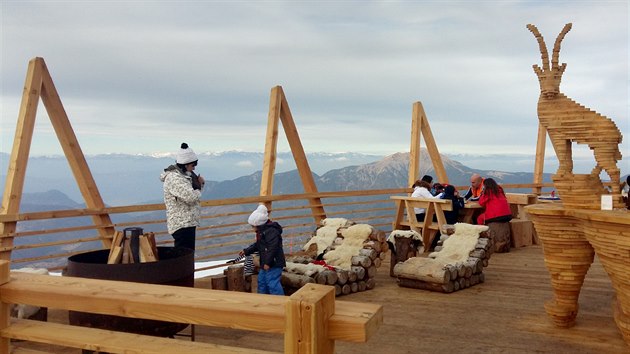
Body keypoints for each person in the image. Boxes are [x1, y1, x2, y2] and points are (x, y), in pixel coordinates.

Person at [160, 143, 205, 251]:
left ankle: (185, 268)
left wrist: (199, 186)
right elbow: (191, 197)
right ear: (185, 164)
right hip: (181, 224)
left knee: (187, 254)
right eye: (193, 165)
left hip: (186, 222)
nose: (194, 168)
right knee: (184, 255)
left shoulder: (182, 176)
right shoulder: (175, 178)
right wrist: (199, 187)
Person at [239, 204, 286, 295]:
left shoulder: (271, 232)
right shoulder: (262, 232)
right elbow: (258, 245)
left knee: (272, 283)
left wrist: (268, 263)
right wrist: (246, 251)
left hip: (274, 263)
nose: (252, 228)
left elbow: (273, 248)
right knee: (262, 282)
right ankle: (263, 300)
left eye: (253, 226)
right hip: (265, 263)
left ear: (258, 224)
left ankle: (279, 302)